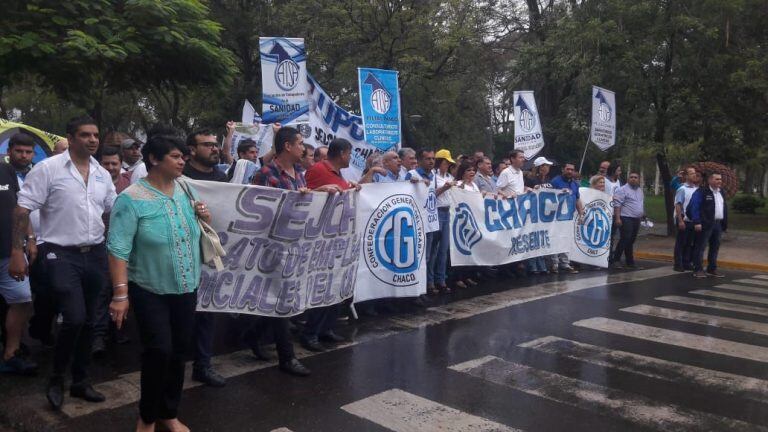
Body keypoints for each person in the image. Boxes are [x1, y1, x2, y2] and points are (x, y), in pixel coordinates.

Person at [11, 116, 116, 409]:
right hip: (59, 253)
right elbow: (22, 210)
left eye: (95, 135)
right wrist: (18, 251)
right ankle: (57, 378)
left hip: (95, 253)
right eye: (85, 135)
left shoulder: (101, 173)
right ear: (70, 138)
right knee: (74, 317)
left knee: (90, 320)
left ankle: (81, 381)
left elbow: (114, 208)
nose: (92, 140)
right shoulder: (48, 169)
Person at [106, 133, 204, 432]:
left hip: (186, 286)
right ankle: (147, 417)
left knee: (180, 350)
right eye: (175, 156)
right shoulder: (131, 198)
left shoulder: (185, 188)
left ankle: (168, 412)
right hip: (149, 288)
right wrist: (120, 295)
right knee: (159, 350)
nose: (182, 161)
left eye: (183, 156)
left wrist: (204, 216)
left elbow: (196, 228)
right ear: (153, 159)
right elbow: (117, 248)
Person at [247, 126, 327, 376]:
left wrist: (313, 195)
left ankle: (253, 334)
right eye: (300, 143)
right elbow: (257, 210)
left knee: (282, 297)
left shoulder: (299, 174)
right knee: (282, 299)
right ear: (287, 146)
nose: (303, 148)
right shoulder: (265, 174)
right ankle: (287, 357)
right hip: (272, 246)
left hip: (295, 245)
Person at [179, 129, 228, 387]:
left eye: (215, 144)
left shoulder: (222, 177)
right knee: (183, 311)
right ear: (192, 149)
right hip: (183, 251)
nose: (214, 148)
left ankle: (203, 364)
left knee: (208, 310)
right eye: (207, 144)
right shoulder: (180, 178)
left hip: (211, 252)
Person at [302, 138, 358, 352]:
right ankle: (310, 333)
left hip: (337, 239)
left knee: (334, 286)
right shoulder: (318, 170)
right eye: (349, 153)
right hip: (321, 241)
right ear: (342, 153)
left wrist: (353, 188)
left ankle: (326, 328)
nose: (350, 157)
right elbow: (306, 196)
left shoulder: (337, 173)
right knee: (321, 288)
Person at [0, 133, 39, 375]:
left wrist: (30, 239)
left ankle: (11, 353)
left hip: (9, 253)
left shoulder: (6, 172)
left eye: (27, 151)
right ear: (10, 150)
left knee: (22, 300)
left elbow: (20, 210)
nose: (23, 156)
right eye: (19, 151)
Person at [405, 149, 437, 293]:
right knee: (418, 256)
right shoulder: (412, 174)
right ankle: (415, 288)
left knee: (428, 256)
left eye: (433, 158)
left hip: (430, 220)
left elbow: (433, 195)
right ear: (420, 160)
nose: (431, 161)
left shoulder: (433, 174)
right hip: (417, 222)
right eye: (428, 159)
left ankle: (425, 285)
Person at [689, 172, 727, 278]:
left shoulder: (721, 192)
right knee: (700, 246)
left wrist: (724, 224)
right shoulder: (702, 192)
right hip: (705, 224)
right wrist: (697, 222)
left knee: (715, 247)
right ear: (710, 180)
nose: (719, 181)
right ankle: (698, 269)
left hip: (718, 224)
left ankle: (712, 268)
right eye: (717, 179)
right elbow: (694, 207)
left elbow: (724, 208)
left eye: (720, 179)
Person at [551, 162, 585, 274]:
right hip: (556, 217)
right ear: (563, 169)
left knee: (566, 239)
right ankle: (554, 264)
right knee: (556, 239)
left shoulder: (575, 184)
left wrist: (581, 214)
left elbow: (577, 199)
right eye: (568, 169)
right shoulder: (555, 181)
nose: (570, 171)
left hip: (569, 216)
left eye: (572, 170)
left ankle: (565, 263)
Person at [431, 149, 456, 293]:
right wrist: (445, 187)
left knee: (444, 249)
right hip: (437, 211)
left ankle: (441, 279)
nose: (448, 165)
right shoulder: (434, 176)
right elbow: (431, 195)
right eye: (446, 163)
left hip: (447, 211)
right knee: (434, 249)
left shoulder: (449, 176)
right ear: (440, 162)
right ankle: (431, 281)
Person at [453, 161, 481, 288]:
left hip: (473, 220)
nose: (472, 172)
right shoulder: (459, 184)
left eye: (473, 170)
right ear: (463, 172)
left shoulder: (474, 185)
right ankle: (458, 278)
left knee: (471, 248)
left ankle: (468, 276)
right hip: (462, 221)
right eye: (469, 170)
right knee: (461, 249)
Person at [525, 157, 555, 274]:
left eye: (548, 166)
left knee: (542, 239)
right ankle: (532, 265)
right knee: (533, 238)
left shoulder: (548, 180)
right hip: (533, 213)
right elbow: (524, 191)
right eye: (545, 165)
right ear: (540, 167)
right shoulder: (531, 179)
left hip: (544, 214)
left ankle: (542, 265)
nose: (547, 168)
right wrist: (532, 189)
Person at [611, 172, 645, 269]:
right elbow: (617, 204)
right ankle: (616, 260)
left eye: (635, 177)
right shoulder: (622, 190)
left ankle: (630, 262)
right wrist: (617, 218)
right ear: (628, 179)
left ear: (639, 179)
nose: (633, 179)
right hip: (625, 217)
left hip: (636, 218)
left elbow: (640, 203)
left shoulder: (640, 190)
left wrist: (643, 214)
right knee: (625, 238)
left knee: (631, 240)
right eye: (631, 177)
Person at [673, 167, 700, 272]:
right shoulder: (682, 189)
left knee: (689, 243)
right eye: (691, 173)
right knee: (681, 243)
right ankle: (678, 264)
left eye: (695, 173)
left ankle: (686, 262)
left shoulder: (696, 189)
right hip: (683, 219)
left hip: (693, 220)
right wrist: (680, 220)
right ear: (686, 176)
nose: (694, 175)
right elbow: (678, 205)